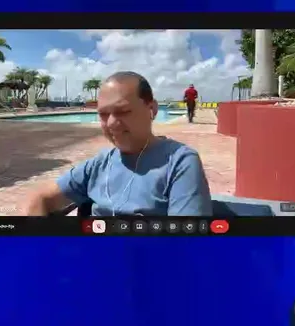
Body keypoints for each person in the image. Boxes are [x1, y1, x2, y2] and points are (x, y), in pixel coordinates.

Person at [20, 71, 212, 217]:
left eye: (123, 112)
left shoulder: (179, 162)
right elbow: (40, 197)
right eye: (103, 114)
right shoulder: (100, 163)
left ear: (152, 109)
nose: (111, 123)